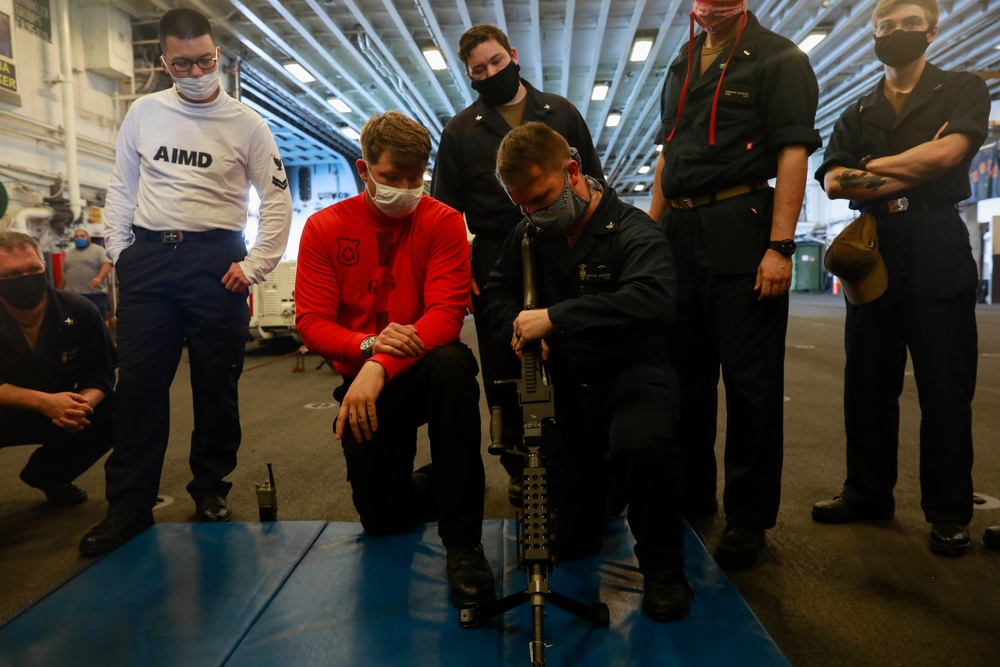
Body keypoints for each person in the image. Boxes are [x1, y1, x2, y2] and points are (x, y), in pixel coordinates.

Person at [79, 7, 292, 556]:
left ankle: (210, 491)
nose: (195, 72)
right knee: (140, 390)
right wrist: (122, 254)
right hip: (149, 260)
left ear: (218, 55)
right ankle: (128, 507)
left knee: (215, 387)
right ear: (163, 60)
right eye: (182, 63)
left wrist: (255, 266)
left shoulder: (247, 124)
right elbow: (122, 188)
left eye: (205, 61)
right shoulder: (144, 114)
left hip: (216, 263)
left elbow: (275, 199)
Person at [485, 122, 690, 622]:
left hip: (634, 380)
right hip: (571, 399)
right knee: (570, 542)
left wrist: (556, 318)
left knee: (640, 446)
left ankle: (665, 571)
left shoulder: (634, 230)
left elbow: (653, 300)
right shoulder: (531, 232)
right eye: (522, 205)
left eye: (543, 197)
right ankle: (608, 490)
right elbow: (494, 293)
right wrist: (517, 325)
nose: (534, 213)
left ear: (573, 171)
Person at [294, 111, 495, 609]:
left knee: (452, 366)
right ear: (364, 170)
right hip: (366, 380)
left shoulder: (445, 221)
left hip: (420, 367)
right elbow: (312, 322)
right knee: (382, 521)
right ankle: (433, 481)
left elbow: (446, 316)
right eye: (391, 178)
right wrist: (368, 349)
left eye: (415, 178)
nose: (406, 188)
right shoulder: (323, 228)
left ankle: (465, 543)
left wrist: (378, 363)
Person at [647, 0, 821, 569]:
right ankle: (694, 494)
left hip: (742, 228)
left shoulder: (779, 58)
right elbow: (667, 155)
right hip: (679, 230)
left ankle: (748, 518)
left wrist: (780, 245)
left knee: (751, 386)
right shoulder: (683, 60)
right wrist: (649, 237)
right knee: (684, 380)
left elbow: (792, 150)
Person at [811, 0, 989, 557]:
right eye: (886, 27)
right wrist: (914, 162)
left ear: (932, 31)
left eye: (911, 25)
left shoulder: (963, 87)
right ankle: (866, 493)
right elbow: (836, 183)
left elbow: (950, 156)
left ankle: (948, 512)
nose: (898, 33)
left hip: (936, 241)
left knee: (944, 386)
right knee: (867, 381)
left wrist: (876, 167)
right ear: (874, 35)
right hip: (874, 248)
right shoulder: (857, 107)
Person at [432, 24, 605, 504]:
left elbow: (593, 179)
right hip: (495, 259)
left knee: (572, 350)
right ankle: (517, 461)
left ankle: (576, 451)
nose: (489, 73)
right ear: (470, 75)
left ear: (513, 55)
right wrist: (457, 268)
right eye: (478, 70)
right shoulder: (461, 130)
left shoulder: (561, 113)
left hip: (562, 247)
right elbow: (443, 210)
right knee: (504, 362)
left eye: (495, 62)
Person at [0, 231, 114, 506]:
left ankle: (47, 475)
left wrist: (81, 405)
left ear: (44, 266)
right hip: (7, 412)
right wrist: (42, 401)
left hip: (61, 412)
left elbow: (101, 372)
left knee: (117, 411)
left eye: (32, 269)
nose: (25, 278)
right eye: (11, 274)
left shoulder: (80, 310)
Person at [60, 229, 112, 323]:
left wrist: (99, 278)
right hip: (73, 296)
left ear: (88, 238)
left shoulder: (98, 250)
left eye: (82, 236)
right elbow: (65, 272)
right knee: (76, 323)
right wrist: (60, 290)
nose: (79, 238)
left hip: (94, 295)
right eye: (76, 236)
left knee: (98, 323)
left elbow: (107, 264)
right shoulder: (69, 253)